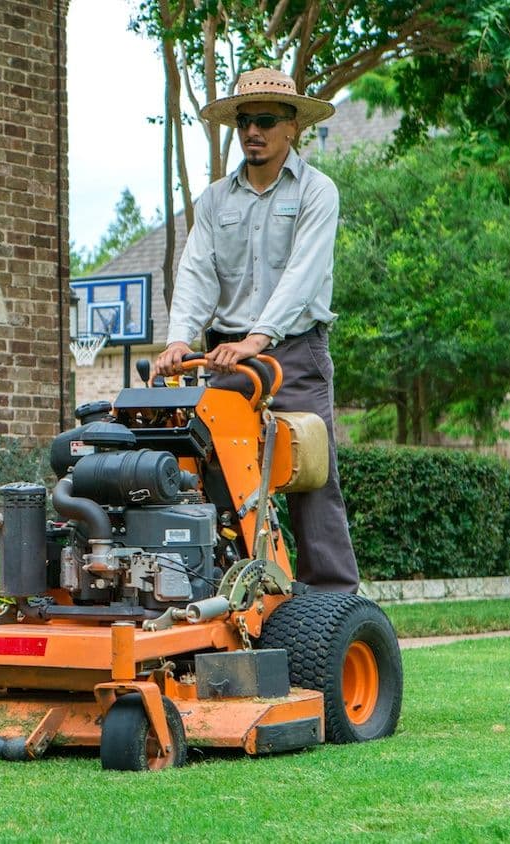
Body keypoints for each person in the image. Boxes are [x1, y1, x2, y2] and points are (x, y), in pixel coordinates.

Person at [152, 67, 359, 593]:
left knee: (311, 477)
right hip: (226, 360)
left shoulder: (317, 192)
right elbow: (196, 273)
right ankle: (232, 595)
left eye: (265, 121)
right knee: (216, 477)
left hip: (294, 354)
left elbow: (303, 275)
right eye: (244, 122)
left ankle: (333, 602)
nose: (252, 132)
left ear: (293, 127)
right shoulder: (214, 201)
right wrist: (179, 339)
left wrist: (258, 338)